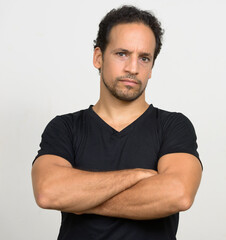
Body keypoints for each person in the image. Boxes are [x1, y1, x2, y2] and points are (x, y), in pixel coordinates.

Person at [31, 5, 202, 240]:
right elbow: (49, 192)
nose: (133, 68)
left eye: (144, 58)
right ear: (98, 57)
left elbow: (178, 194)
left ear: (152, 67)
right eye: (122, 54)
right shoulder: (65, 128)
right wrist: (137, 176)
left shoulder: (173, 126)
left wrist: (81, 200)